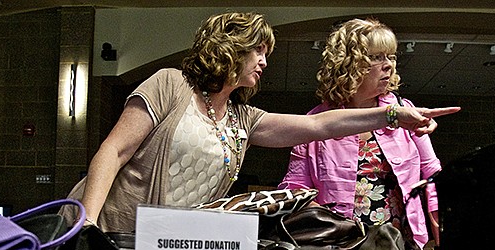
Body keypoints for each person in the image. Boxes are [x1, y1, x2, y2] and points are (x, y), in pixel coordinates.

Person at [64, 12, 459, 234]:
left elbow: (321, 127)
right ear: (230, 48)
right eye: (258, 50)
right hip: (113, 232)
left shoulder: (243, 119)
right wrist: (87, 227)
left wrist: (393, 114)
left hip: (167, 243)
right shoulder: (171, 84)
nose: (265, 62)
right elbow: (112, 152)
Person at [278, 18, 443, 250]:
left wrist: (441, 244)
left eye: (391, 56)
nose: (388, 65)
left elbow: (433, 179)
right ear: (348, 63)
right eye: (377, 57)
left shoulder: (404, 111)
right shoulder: (315, 122)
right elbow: (295, 189)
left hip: (404, 247)